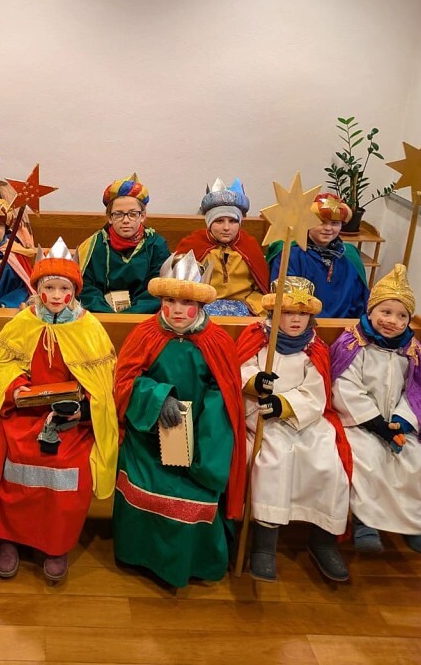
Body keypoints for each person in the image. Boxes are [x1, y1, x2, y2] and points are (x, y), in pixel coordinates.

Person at [0, 238, 118, 583]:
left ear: (74, 291)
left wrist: (81, 407)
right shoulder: (24, 322)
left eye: (64, 288)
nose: (56, 294)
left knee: (68, 466)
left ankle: (56, 543)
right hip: (22, 414)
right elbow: (1, 367)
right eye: (49, 287)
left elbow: (102, 382)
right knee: (10, 453)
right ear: (37, 289)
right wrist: (15, 388)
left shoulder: (89, 327)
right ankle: (8, 537)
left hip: (70, 421)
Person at [112, 252, 245, 586]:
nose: (176, 310)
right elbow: (124, 382)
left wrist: (199, 442)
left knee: (196, 492)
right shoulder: (145, 333)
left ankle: (192, 563)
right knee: (144, 481)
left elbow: (224, 397)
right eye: (169, 301)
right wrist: (158, 399)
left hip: (200, 441)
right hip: (147, 436)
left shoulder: (216, 341)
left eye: (186, 303)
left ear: (200, 304)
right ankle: (138, 555)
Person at [236, 276, 353, 583]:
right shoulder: (258, 338)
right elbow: (240, 369)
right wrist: (255, 382)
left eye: (302, 313)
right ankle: (265, 544)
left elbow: (316, 391)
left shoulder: (314, 348)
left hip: (305, 421)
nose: (295, 319)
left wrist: (284, 404)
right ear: (273, 313)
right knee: (271, 462)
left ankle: (323, 538)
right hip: (263, 422)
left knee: (328, 462)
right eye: (287, 312)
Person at [331, 264, 421, 554]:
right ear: (371, 311)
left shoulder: (412, 350)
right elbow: (345, 387)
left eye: (402, 316)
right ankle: (365, 522)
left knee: (417, 458)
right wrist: (377, 424)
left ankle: (409, 524)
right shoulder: (354, 343)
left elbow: (418, 392)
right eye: (386, 312)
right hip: (360, 422)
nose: (392, 321)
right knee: (367, 456)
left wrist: (401, 421)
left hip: (398, 422)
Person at [77, 173, 171, 314]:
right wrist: (108, 314)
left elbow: (158, 287)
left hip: (143, 316)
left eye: (132, 214)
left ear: (143, 216)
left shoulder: (156, 245)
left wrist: (130, 315)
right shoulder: (93, 245)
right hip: (101, 316)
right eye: (118, 214)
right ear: (109, 217)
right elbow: (86, 288)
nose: (126, 220)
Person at [175, 178, 268, 316]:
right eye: (219, 221)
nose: (226, 227)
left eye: (232, 221)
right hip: (203, 306)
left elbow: (261, 288)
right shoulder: (193, 245)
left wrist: (250, 306)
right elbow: (180, 288)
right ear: (209, 223)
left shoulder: (249, 246)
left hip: (247, 307)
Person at [266, 193, 368, 318]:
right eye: (321, 222)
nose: (328, 228)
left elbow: (358, 300)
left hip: (345, 325)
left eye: (335, 223)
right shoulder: (290, 253)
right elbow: (285, 298)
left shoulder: (350, 255)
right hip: (301, 322)